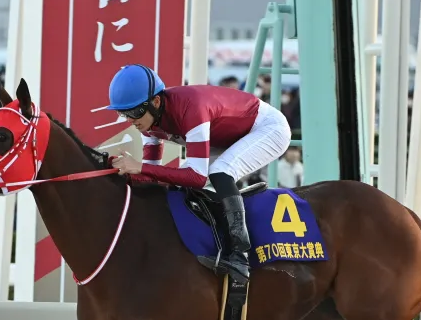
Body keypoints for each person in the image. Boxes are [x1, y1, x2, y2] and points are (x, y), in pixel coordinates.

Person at [106, 64, 292, 282]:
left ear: (155, 102)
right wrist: (116, 171)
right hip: (226, 136)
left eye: (134, 112)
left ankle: (239, 255)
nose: (130, 120)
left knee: (219, 172)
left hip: (268, 128)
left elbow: (197, 178)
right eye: (123, 113)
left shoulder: (191, 108)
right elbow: (150, 178)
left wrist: (139, 167)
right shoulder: (147, 122)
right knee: (179, 183)